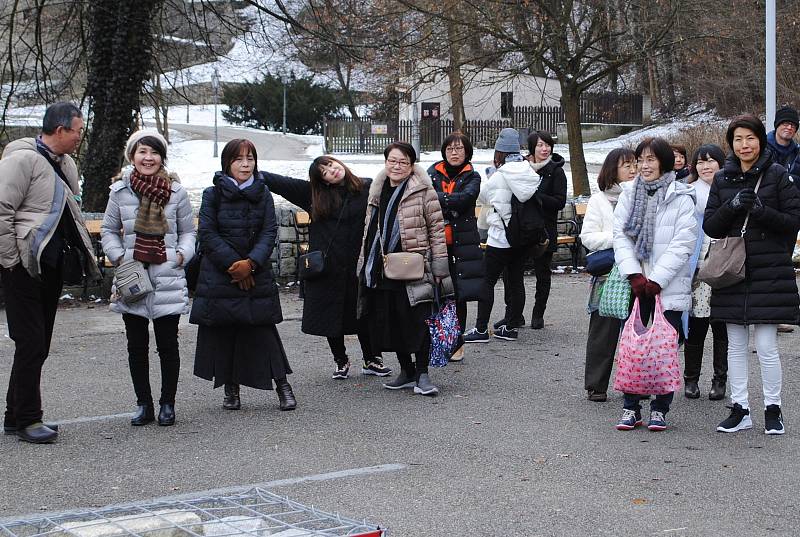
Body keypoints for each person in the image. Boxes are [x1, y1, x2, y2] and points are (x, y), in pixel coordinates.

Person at [0, 102, 100, 444]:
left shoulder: (66, 164)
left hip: (50, 266)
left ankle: (14, 415)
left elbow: (69, 209)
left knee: (38, 343)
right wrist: (11, 260)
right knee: (30, 342)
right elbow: (1, 210)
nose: (80, 136)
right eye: (77, 130)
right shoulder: (22, 159)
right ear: (60, 130)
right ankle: (29, 419)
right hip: (22, 266)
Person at [704, 115, 800, 435]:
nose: (745, 145)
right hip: (733, 271)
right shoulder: (722, 179)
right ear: (731, 144)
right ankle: (740, 407)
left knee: (767, 345)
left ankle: (773, 408)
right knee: (735, 344)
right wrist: (732, 205)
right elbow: (711, 226)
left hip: (769, 270)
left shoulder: (778, 175)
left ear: (761, 139)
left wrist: (761, 211)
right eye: (738, 139)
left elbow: (792, 222)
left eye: (750, 138)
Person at [190, 139, 296, 411]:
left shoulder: (263, 194)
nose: (245, 164)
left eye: (250, 158)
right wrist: (234, 265)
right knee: (225, 331)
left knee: (263, 331)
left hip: (255, 273)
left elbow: (269, 232)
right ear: (227, 162)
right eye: (239, 159)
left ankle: (283, 386)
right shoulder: (211, 195)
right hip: (221, 274)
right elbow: (208, 235)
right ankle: (231, 389)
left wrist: (250, 264)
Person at [262, 156, 391, 379]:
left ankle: (372, 359)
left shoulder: (367, 187)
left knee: (364, 312)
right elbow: (278, 182)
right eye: (324, 172)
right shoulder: (314, 195)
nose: (332, 170)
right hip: (326, 268)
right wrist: (246, 171)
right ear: (322, 180)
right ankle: (340, 360)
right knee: (332, 316)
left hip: (358, 264)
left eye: (331, 164)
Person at [101, 130, 196, 427]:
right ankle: (144, 404)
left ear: (162, 157)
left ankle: (168, 403)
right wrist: (119, 257)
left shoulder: (177, 192)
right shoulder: (120, 192)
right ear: (132, 156)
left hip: (167, 276)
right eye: (142, 151)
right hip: (133, 276)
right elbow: (108, 230)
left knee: (168, 345)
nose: (148, 157)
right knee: (136, 345)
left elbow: (188, 232)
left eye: (154, 152)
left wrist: (181, 255)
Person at [613, 137, 698, 432]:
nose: (644, 166)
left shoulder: (681, 197)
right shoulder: (628, 194)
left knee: (663, 349)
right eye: (641, 160)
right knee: (633, 347)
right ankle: (631, 405)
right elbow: (620, 236)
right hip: (635, 285)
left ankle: (660, 407)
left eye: (650, 160)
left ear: (662, 161)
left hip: (668, 286)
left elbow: (683, 243)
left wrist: (657, 279)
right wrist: (634, 274)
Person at [357, 141, 453, 396]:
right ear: (385, 162)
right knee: (393, 322)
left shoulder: (422, 190)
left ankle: (422, 374)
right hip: (384, 267)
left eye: (403, 162)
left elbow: (436, 229)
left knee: (419, 322)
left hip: (416, 267)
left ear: (412, 166)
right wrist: (364, 262)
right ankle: (406, 371)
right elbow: (370, 230)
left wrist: (439, 266)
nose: (397, 166)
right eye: (393, 161)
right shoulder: (377, 190)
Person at [463, 128, 540, 342]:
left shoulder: (499, 176)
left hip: (500, 238)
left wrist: (490, 177)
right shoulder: (529, 172)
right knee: (516, 281)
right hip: (522, 238)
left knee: (486, 281)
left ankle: (480, 329)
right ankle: (511, 327)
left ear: (499, 153)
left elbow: (483, 197)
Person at [581, 148, 636, 402]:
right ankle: (596, 384)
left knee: (637, 330)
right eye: (626, 165)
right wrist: (619, 239)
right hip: (608, 273)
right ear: (612, 169)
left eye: (635, 164)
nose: (633, 169)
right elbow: (588, 238)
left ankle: (636, 383)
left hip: (636, 270)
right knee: (603, 331)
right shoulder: (599, 200)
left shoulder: (642, 196)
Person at [427, 133, 485, 361]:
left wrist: (440, 199)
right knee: (437, 292)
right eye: (450, 148)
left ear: (467, 152)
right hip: (437, 242)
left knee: (459, 293)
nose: (454, 152)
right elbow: (427, 198)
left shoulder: (473, 175)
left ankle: (457, 341)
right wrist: (450, 200)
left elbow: (466, 199)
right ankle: (439, 338)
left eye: (459, 149)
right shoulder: (432, 172)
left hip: (463, 243)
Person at [684, 144, 729, 400]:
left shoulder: (729, 191)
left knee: (722, 329)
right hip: (698, 272)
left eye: (711, 161)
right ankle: (691, 379)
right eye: (701, 162)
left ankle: (719, 380)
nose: (706, 166)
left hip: (725, 271)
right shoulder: (688, 193)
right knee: (696, 327)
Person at [524, 131, 567, 329]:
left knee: (542, 273)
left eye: (547, 145)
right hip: (522, 228)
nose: (544, 149)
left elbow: (560, 202)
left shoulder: (556, 171)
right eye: (540, 145)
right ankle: (514, 313)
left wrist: (537, 197)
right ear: (532, 148)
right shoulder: (522, 168)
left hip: (544, 230)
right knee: (513, 273)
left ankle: (538, 313)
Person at [766, 105, 800, 185]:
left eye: (793, 125)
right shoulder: (760, 148)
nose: (789, 127)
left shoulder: (797, 152)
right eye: (785, 123)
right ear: (777, 125)